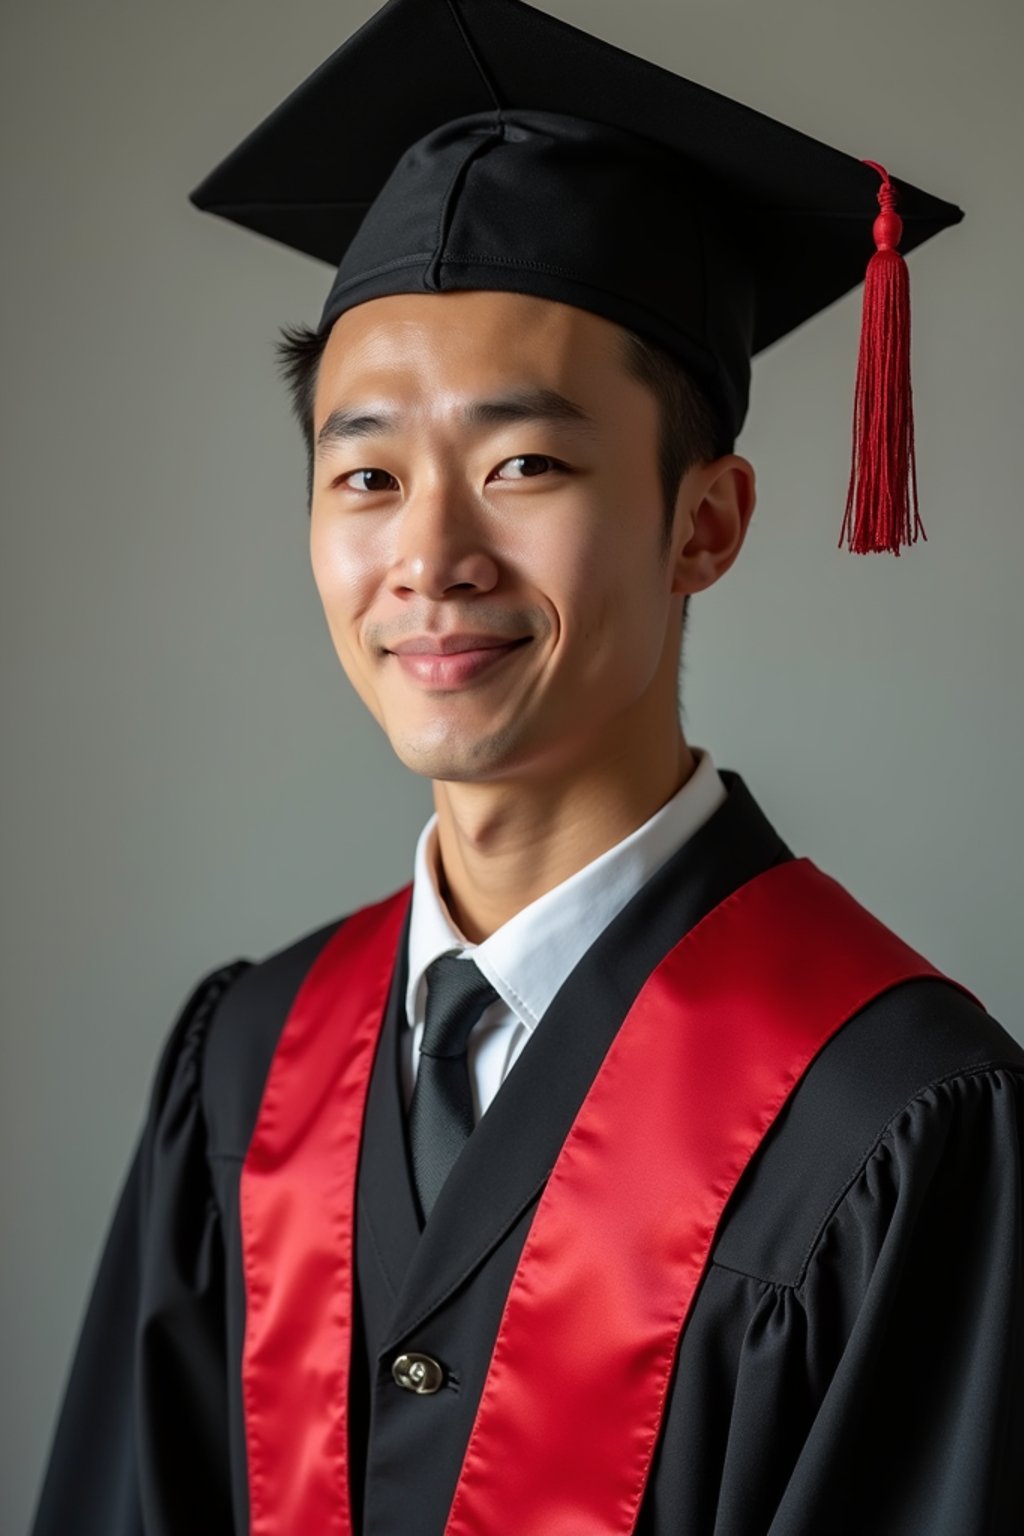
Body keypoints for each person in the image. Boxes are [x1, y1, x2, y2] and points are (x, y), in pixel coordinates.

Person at [30, 0, 1024, 1532]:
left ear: (707, 520)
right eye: (366, 474)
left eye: (525, 466)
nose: (428, 556)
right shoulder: (248, 1066)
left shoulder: (892, 1116)